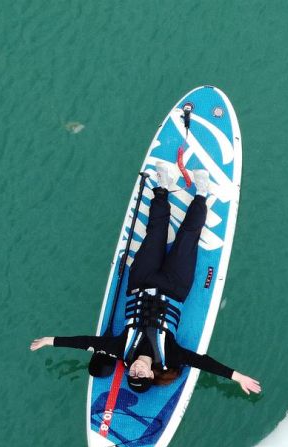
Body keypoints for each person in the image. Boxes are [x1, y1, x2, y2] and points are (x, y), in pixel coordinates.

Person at [31, 162, 261, 396]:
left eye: (132, 375)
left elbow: (88, 343)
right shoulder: (169, 355)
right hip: (174, 287)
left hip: (141, 281)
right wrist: (237, 377)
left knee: (156, 233)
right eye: (142, 376)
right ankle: (202, 193)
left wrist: (50, 340)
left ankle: (163, 187)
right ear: (151, 374)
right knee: (187, 238)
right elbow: (201, 362)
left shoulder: (122, 350)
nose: (137, 371)